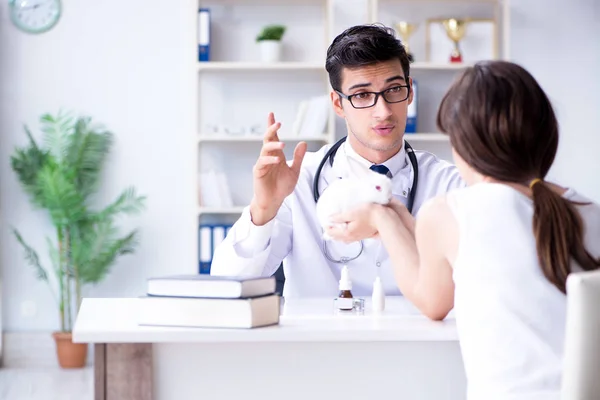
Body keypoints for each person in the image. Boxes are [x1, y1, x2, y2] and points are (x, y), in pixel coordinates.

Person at [325, 60, 600, 399]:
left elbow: (432, 302)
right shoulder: (588, 210)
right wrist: (396, 216)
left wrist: (381, 219)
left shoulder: (449, 211)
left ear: (465, 145)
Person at [209, 24, 463, 297]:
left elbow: (477, 277)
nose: (383, 111)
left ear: (409, 91)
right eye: (362, 95)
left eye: (394, 90)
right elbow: (227, 284)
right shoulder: (300, 179)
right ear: (338, 103)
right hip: (321, 340)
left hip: (415, 338)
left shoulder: (446, 183)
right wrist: (263, 208)